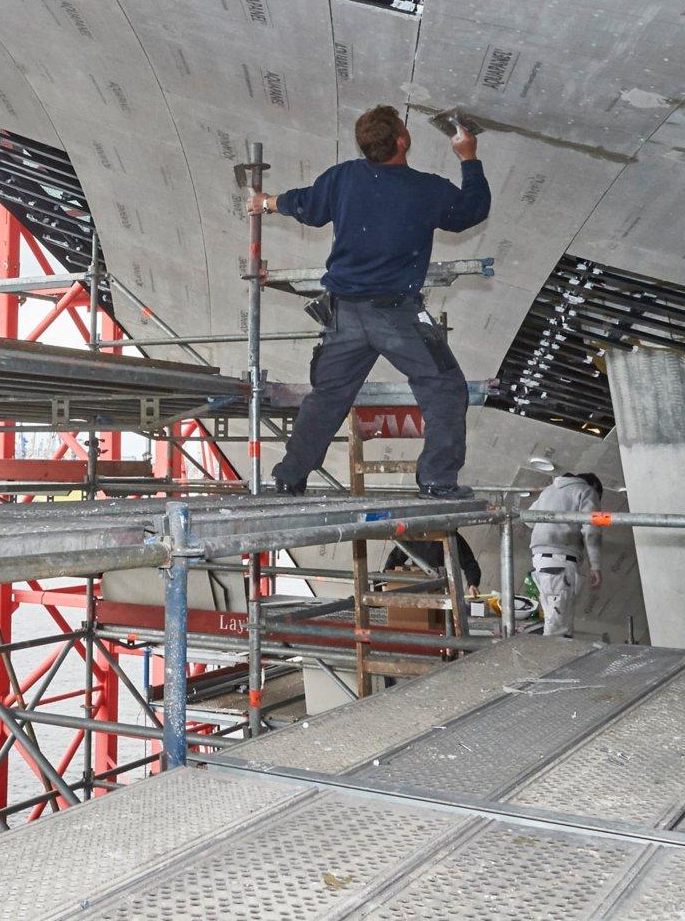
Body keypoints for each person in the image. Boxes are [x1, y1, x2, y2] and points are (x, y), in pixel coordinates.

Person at [247, 104, 490, 500]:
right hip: (397, 316)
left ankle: (289, 478)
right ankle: (436, 481)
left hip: (343, 315)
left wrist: (265, 202)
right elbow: (471, 211)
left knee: (327, 398)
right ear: (402, 141)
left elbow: (306, 205)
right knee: (444, 388)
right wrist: (469, 158)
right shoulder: (425, 189)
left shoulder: (343, 178)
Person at [528, 471, 605, 638]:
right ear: (594, 488)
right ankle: (550, 663)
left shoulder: (548, 490)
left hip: (541, 561)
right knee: (558, 630)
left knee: (556, 621)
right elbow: (592, 530)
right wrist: (596, 566)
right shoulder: (586, 491)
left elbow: (528, 519)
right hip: (560, 562)